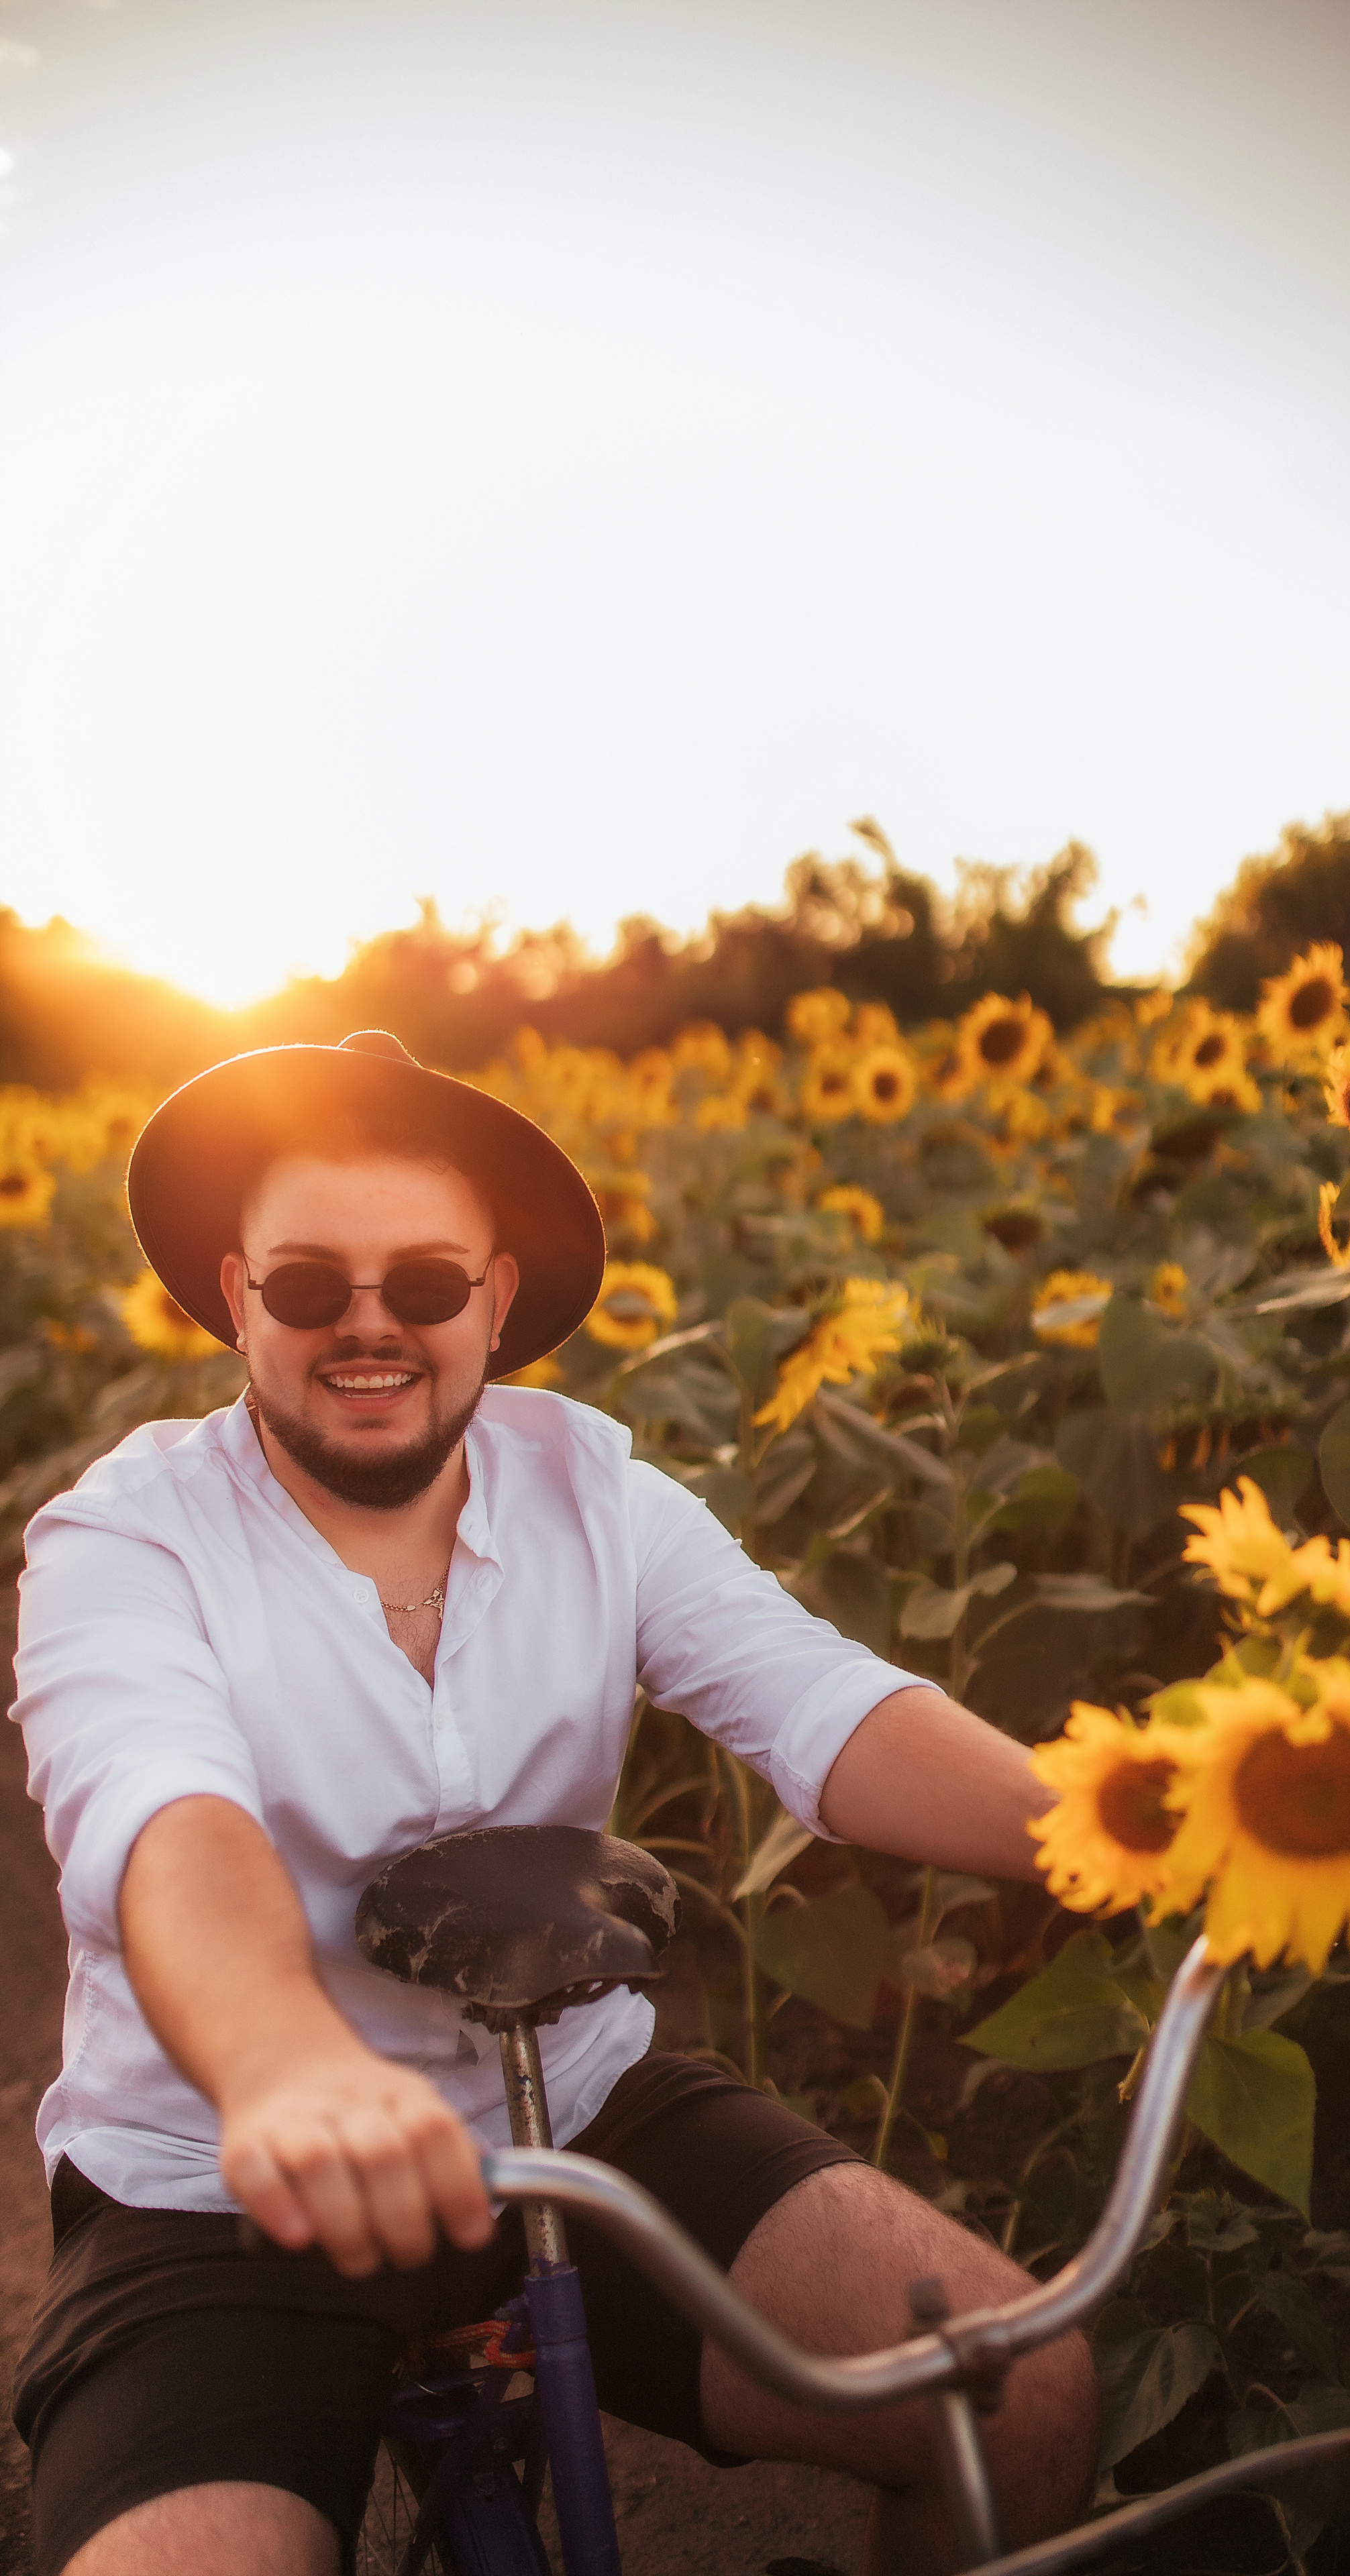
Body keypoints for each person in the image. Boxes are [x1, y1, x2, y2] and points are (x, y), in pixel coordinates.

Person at [9, 1031, 1097, 2576]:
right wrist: (285, 2072)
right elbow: (163, 1817)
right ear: (237, 1297)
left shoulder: (597, 1490)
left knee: (1019, 2393)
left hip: (571, 2107)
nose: (369, 1324)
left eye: (426, 1283)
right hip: (222, 2170)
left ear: (495, 1301)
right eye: (309, 1286)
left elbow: (819, 1701)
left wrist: (1115, 1836)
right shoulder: (124, 1542)